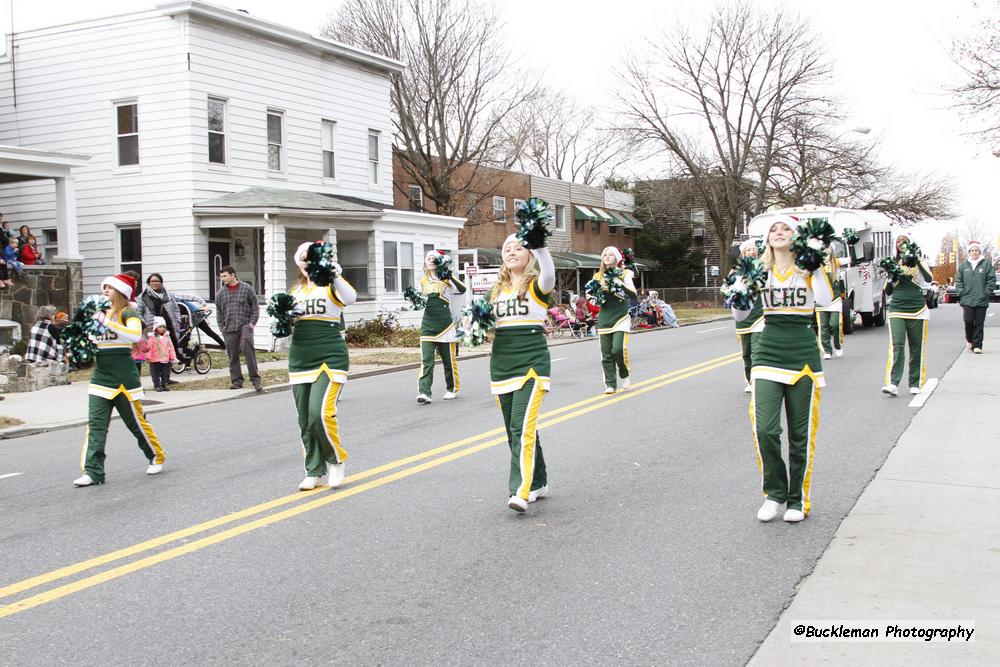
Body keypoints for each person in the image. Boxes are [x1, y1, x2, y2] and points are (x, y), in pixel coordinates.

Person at [734, 216, 834, 523]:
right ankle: (774, 493)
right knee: (764, 428)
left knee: (800, 433)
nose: (779, 233)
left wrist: (815, 267)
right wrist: (742, 286)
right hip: (768, 351)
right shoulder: (759, 271)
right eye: (773, 230)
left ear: (796, 236)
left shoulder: (808, 268)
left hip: (803, 354)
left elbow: (826, 300)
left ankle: (797, 498)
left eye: (785, 229)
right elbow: (739, 315)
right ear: (767, 239)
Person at [74, 273, 166, 487]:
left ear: (121, 292)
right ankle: (93, 471)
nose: (105, 291)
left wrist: (107, 322)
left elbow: (135, 336)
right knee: (95, 425)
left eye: (110, 288)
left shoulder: (129, 313)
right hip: (100, 376)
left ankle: (156, 456)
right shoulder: (97, 314)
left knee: (136, 423)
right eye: (103, 287)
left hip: (124, 377)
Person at [490, 233, 555, 512]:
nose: (512, 251)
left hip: (531, 363)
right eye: (507, 248)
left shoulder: (537, 285)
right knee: (515, 430)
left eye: (519, 247)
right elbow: (481, 324)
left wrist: (540, 246)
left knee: (521, 426)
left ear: (529, 255)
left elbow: (549, 273)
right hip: (501, 365)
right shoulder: (496, 290)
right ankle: (539, 481)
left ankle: (520, 490)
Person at [287, 242, 358, 491]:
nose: (307, 262)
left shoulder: (330, 285)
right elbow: (287, 325)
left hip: (329, 356)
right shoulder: (295, 290)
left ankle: (335, 461)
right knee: (305, 420)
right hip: (300, 358)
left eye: (311, 258)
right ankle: (313, 470)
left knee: (320, 414)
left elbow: (351, 297)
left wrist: (335, 272)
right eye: (303, 259)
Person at [882, 232, 934, 396]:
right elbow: (887, 291)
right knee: (897, 345)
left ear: (909, 243)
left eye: (904, 241)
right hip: (897, 308)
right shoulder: (893, 262)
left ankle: (915, 382)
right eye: (898, 241)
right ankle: (893, 383)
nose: (901, 243)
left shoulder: (919, 261)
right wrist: (891, 276)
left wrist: (917, 259)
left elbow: (928, 279)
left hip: (917, 310)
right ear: (896, 246)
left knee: (916, 348)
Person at [416, 250, 467, 404]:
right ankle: (424, 392)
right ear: (425, 262)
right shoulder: (423, 280)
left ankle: (452, 388)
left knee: (448, 360)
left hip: (446, 325)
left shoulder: (446, 277)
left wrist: (449, 275)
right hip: (427, 325)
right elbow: (420, 302)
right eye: (428, 258)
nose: (430, 261)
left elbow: (462, 289)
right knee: (427, 360)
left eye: (434, 258)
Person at [137, 273, 223, 363]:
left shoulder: (169, 295)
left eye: (157, 281)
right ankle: (159, 373)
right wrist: (145, 325)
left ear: (161, 282)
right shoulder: (143, 297)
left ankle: (169, 372)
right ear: (148, 283)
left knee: (170, 350)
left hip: (169, 327)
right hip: (153, 328)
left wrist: (177, 322)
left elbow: (177, 308)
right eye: (152, 281)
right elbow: (139, 313)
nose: (154, 283)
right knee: (156, 353)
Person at [593, 246, 637, 394]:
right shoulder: (597, 276)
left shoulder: (625, 273)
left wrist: (620, 283)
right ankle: (610, 383)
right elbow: (592, 297)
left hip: (621, 316)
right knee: (606, 353)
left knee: (617, 349)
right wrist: (592, 298)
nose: (607, 256)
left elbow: (633, 294)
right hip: (605, 318)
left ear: (617, 258)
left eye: (610, 254)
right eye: (605, 254)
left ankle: (624, 373)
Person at [214, 265, 263, 393]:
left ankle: (256, 381)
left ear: (233, 275)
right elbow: (219, 312)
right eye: (221, 276)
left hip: (245, 325)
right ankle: (237, 381)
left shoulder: (247, 289)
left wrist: (252, 323)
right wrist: (221, 327)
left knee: (248, 351)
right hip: (229, 327)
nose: (222, 279)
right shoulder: (220, 293)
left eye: (225, 276)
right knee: (233, 355)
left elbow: (255, 307)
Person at [732, 240, 764, 393]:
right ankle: (749, 379)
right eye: (748, 249)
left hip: (760, 314)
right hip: (743, 317)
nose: (752, 251)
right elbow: (726, 290)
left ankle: (758, 380)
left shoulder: (763, 267)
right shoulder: (736, 271)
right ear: (743, 253)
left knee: (757, 350)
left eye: (754, 249)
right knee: (746, 352)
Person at [955, 240, 997, 354]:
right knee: (968, 321)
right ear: (969, 252)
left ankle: (977, 345)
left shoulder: (986, 264)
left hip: (981, 299)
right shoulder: (964, 265)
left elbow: (991, 279)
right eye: (972, 250)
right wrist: (961, 292)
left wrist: (986, 292)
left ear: (979, 251)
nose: (974, 252)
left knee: (979, 322)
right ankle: (969, 340)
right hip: (967, 299)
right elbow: (958, 280)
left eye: (976, 250)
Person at [816, 254, 844, 361]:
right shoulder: (816, 264)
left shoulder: (836, 262)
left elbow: (852, 259)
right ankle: (827, 350)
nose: (825, 254)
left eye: (828, 252)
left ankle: (838, 344)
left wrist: (851, 243)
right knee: (823, 326)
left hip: (835, 299)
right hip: (821, 300)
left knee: (835, 324)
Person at [146, 316, 177, 392]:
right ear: (156, 328)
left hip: (165, 358)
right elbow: (149, 348)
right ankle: (157, 385)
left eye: (163, 327)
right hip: (155, 359)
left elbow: (171, 347)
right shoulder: (152, 338)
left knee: (165, 373)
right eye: (160, 327)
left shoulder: (167, 337)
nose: (162, 328)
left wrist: (172, 356)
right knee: (155, 373)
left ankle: (164, 384)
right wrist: (148, 357)